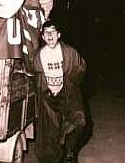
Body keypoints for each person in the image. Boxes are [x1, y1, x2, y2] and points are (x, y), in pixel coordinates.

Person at [30, 20, 86, 163]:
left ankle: (69, 152)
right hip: (49, 96)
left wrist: (68, 85)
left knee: (79, 120)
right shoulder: (39, 56)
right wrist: (46, 93)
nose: (50, 35)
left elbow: (81, 68)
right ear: (43, 37)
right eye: (46, 33)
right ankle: (55, 158)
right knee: (51, 132)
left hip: (67, 93)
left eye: (53, 32)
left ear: (59, 34)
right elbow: (35, 76)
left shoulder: (69, 52)